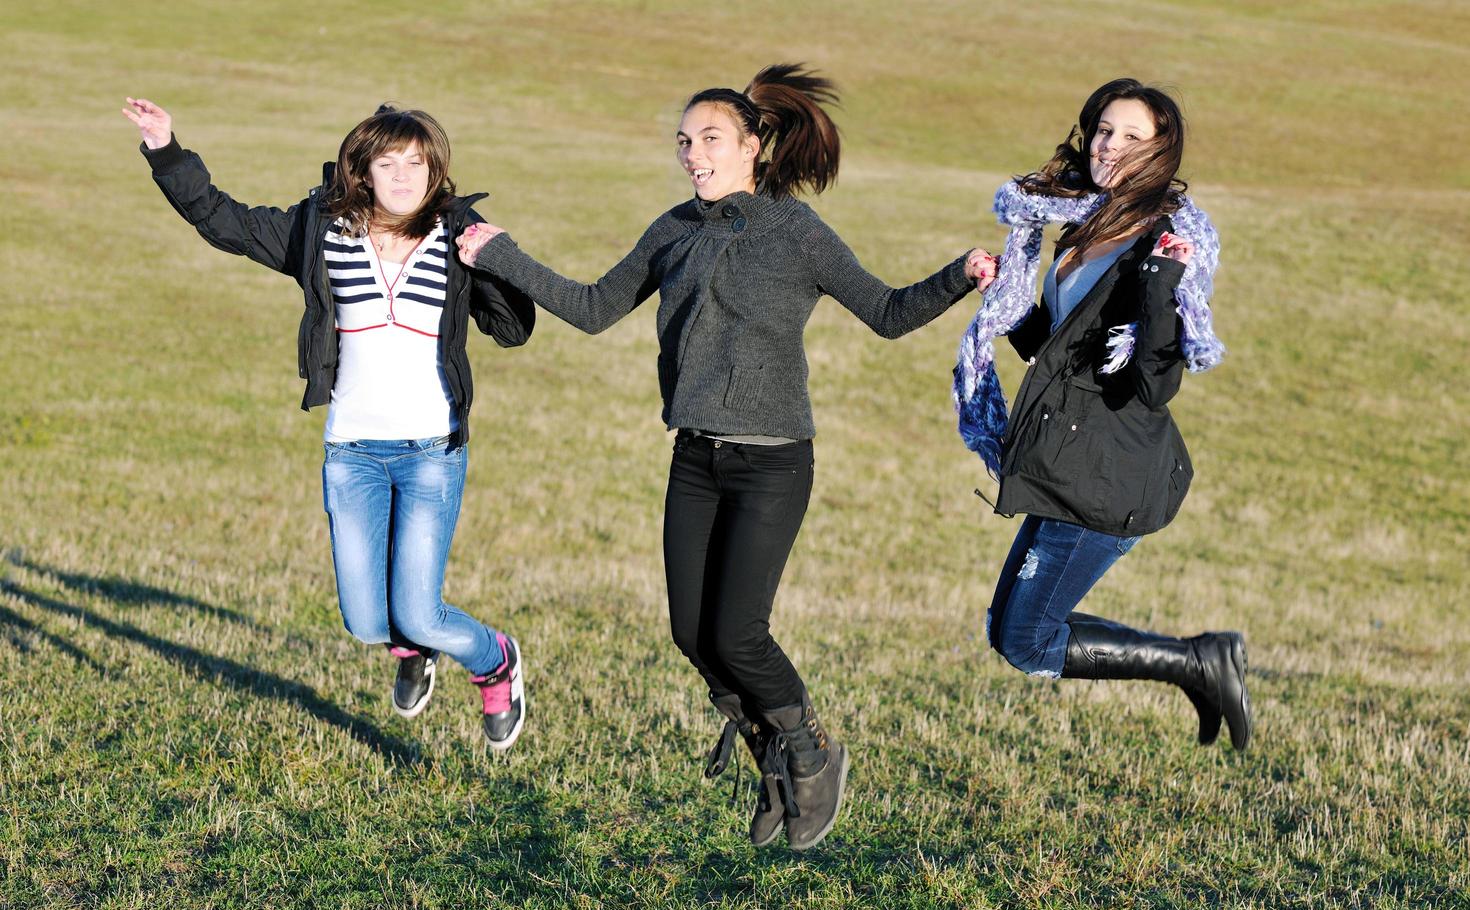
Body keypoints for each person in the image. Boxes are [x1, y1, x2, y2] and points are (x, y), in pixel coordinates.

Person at [456, 65, 996, 848]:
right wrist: (503, 255)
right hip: (696, 458)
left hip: (772, 463)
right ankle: (771, 754)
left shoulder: (796, 230)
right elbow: (594, 307)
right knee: (690, 633)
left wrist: (960, 277)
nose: (693, 154)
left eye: (710, 139)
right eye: (684, 141)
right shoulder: (674, 228)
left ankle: (810, 753)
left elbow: (884, 312)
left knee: (737, 634)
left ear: (754, 145)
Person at [123, 98, 534, 751]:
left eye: (418, 163)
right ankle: (410, 649)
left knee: (421, 609)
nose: (404, 176)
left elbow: (512, 329)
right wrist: (166, 149)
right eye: (389, 162)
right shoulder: (320, 227)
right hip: (353, 452)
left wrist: (501, 262)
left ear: (436, 171)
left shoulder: (457, 232)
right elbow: (221, 220)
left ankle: (496, 662)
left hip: (431, 449)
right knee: (369, 620)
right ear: (362, 169)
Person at [952, 78, 1251, 751]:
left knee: (1028, 641)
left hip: (1110, 479)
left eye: (1130, 136)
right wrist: (1005, 298)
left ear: (1161, 151)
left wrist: (1158, 284)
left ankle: (1201, 663)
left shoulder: (1168, 243)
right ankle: (1203, 663)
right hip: (1069, 465)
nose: (1108, 145)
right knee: (1009, 632)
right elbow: (1059, 354)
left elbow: (1151, 383)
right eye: (1103, 130)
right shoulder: (1090, 223)